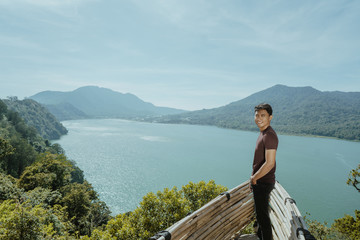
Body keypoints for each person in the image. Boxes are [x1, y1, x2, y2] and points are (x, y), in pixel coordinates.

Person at [250, 103, 278, 240]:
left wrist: (254, 178)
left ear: (270, 117)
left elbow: (270, 163)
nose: (259, 118)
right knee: (260, 217)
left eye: (263, 115)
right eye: (257, 115)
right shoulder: (263, 133)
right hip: (261, 182)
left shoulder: (269, 135)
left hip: (263, 183)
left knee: (263, 220)